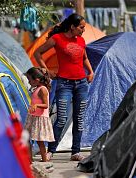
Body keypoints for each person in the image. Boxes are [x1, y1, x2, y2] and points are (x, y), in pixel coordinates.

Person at [34, 13, 94, 161]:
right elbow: (38, 53)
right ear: (72, 27)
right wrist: (46, 71)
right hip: (64, 83)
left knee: (79, 119)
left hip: (82, 83)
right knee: (61, 119)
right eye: (81, 27)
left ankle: (76, 152)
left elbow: (84, 58)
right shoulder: (57, 39)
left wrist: (91, 71)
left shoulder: (81, 40)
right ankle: (51, 150)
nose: (83, 30)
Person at [24, 67, 55, 162]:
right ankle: (29, 159)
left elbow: (46, 105)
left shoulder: (43, 89)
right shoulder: (37, 88)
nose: (29, 82)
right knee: (27, 137)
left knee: (40, 141)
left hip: (40, 118)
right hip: (33, 117)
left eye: (29, 80)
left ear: (36, 80)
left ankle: (44, 159)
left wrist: (36, 105)